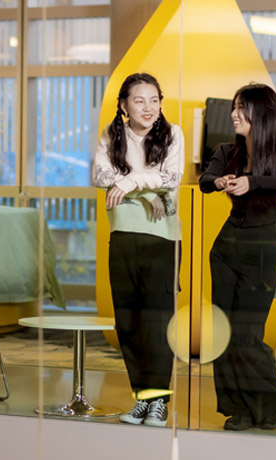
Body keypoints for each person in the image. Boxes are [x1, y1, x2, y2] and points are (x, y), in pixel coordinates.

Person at [199, 83, 276, 431]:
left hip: (263, 250)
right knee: (224, 333)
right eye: (233, 106)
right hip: (226, 249)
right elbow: (206, 179)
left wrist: (253, 181)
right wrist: (219, 183)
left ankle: (273, 404)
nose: (234, 113)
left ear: (260, 113)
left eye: (242, 108)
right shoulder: (225, 150)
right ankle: (238, 408)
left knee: (247, 333)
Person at [92, 73, 184, 426]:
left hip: (162, 238)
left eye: (154, 100)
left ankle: (158, 401)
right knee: (127, 323)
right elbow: (100, 176)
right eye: (140, 100)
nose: (149, 108)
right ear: (124, 105)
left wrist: (130, 181)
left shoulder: (172, 134)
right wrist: (150, 190)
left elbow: (172, 179)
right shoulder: (112, 134)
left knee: (156, 323)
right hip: (123, 235)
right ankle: (141, 399)